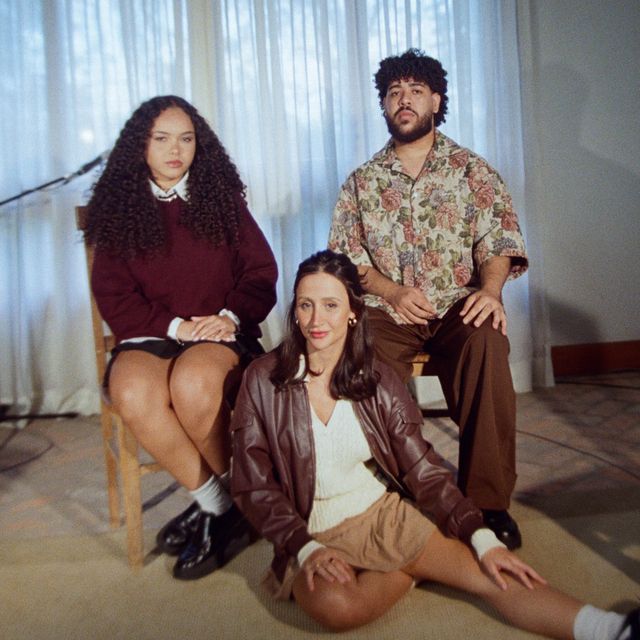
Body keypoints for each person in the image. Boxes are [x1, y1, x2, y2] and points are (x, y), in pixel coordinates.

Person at [230, 249, 637, 639]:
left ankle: (612, 629)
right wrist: (303, 548)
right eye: (305, 305)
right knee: (336, 606)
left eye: (330, 305)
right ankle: (413, 569)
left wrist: (480, 536)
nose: (316, 319)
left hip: (380, 515)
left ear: (353, 312)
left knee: (491, 573)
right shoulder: (263, 379)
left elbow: (420, 467)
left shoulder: (376, 379)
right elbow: (252, 485)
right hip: (306, 529)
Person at [329, 48, 528, 550]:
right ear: (383, 105)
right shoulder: (361, 183)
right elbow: (345, 261)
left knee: (488, 340)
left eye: (416, 90)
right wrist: (392, 291)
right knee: (362, 358)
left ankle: (488, 503)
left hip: (459, 305)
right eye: (394, 92)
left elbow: (499, 242)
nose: (404, 99)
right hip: (388, 311)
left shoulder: (473, 171)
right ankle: (394, 490)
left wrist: (490, 291)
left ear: (436, 101)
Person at [84, 95, 278, 580]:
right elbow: (114, 295)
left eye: (186, 139)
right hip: (151, 333)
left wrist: (229, 317)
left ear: (199, 145)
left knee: (192, 384)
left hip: (218, 331)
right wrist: (175, 327)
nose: (175, 150)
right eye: (162, 138)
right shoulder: (119, 209)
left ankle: (240, 501)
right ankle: (219, 506)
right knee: (132, 391)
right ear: (141, 145)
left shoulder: (222, 201)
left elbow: (261, 274)